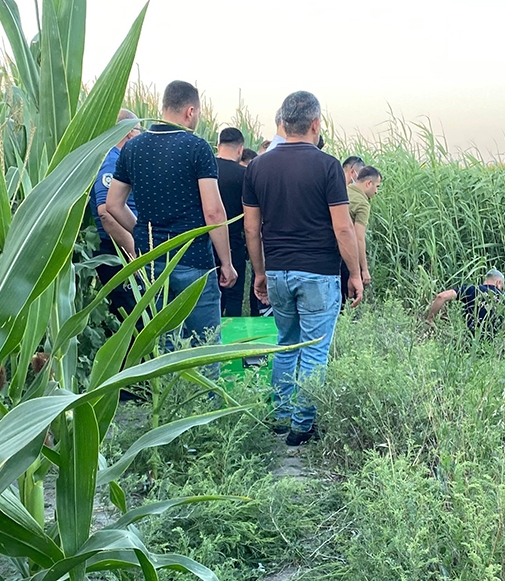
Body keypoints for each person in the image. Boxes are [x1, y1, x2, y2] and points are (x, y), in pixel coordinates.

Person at [242, 91, 362, 446]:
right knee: (314, 350)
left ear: (282, 123)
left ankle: (280, 417)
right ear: (315, 124)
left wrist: (260, 272)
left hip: (277, 270)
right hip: (319, 272)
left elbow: (252, 228)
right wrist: (354, 273)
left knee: (285, 344)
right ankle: (302, 425)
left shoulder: (258, 166)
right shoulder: (327, 165)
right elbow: (342, 228)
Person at [101, 80, 238, 348]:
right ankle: (205, 392)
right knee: (203, 346)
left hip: (152, 263)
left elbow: (113, 205)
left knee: (163, 347)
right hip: (194, 260)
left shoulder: (132, 148)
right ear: (190, 111)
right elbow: (212, 212)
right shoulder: (197, 148)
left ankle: (166, 391)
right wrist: (227, 263)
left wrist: (142, 232)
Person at [89, 109, 142, 319]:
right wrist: (134, 256)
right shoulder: (111, 161)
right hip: (118, 250)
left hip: (124, 246)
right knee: (132, 319)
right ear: (129, 132)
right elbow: (106, 214)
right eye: (139, 130)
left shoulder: (120, 159)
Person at [215, 127, 261, 317]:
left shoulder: (205, 170)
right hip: (234, 243)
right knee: (234, 296)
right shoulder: (245, 176)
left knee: (209, 297)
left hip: (203, 244)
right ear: (240, 149)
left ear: (218, 146)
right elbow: (252, 221)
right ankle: (232, 342)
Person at [425, 269, 505, 336]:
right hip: (491, 346)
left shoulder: (472, 289)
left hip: (469, 340)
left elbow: (441, 297)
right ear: (498, 283)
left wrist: (430, 319)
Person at [340, 165, 380, 302]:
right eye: (377, 186)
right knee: (346, 301)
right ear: (369, 183)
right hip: (344, 255)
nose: (376, 192)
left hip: (325, 253)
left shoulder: (343, 190)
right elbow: (359, 238)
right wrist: (363, 269)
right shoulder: (362, 203)